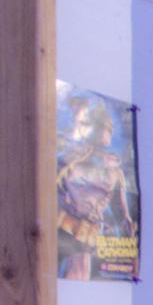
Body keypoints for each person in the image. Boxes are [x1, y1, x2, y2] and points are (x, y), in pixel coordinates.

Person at [56, 98, 134, 280]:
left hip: (87, 235)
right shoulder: (71, 157)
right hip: (63, 227)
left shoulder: (115, 172)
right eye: (103, 127)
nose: (106, 132)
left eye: (108, 129)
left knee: (79, 270)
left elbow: (123, 214)